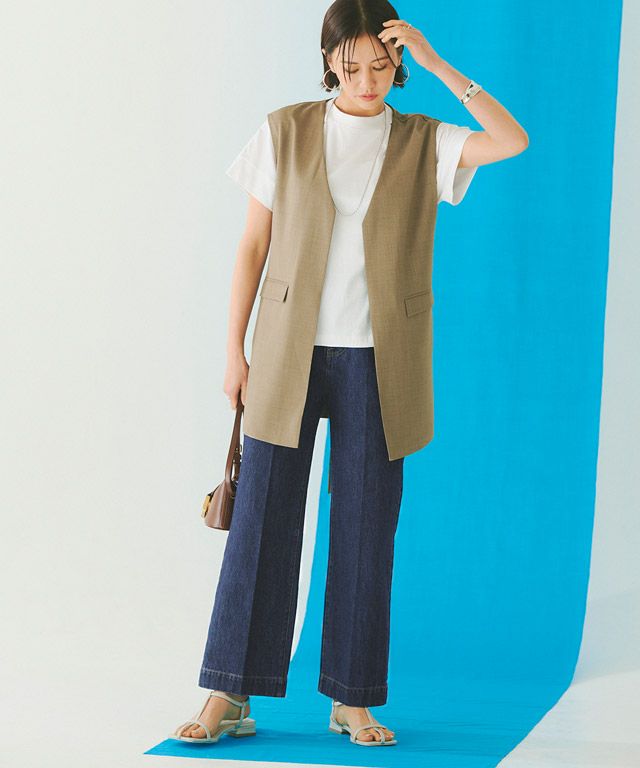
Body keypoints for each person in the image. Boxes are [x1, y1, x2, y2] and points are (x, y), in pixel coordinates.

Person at [170, 0, 528, 749]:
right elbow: (251, 245)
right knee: (261, 523)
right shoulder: (284, 130)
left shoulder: (426, 141)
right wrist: (233, 351)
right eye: (351, 64)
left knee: (367, 530)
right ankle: (228, 692)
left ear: (398, 65)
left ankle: (352, 700)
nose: (366, 80)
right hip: (286, 353)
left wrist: (437, 63)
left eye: (382, 64)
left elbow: (511, 139)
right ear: (329, 61)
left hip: (381, 360)